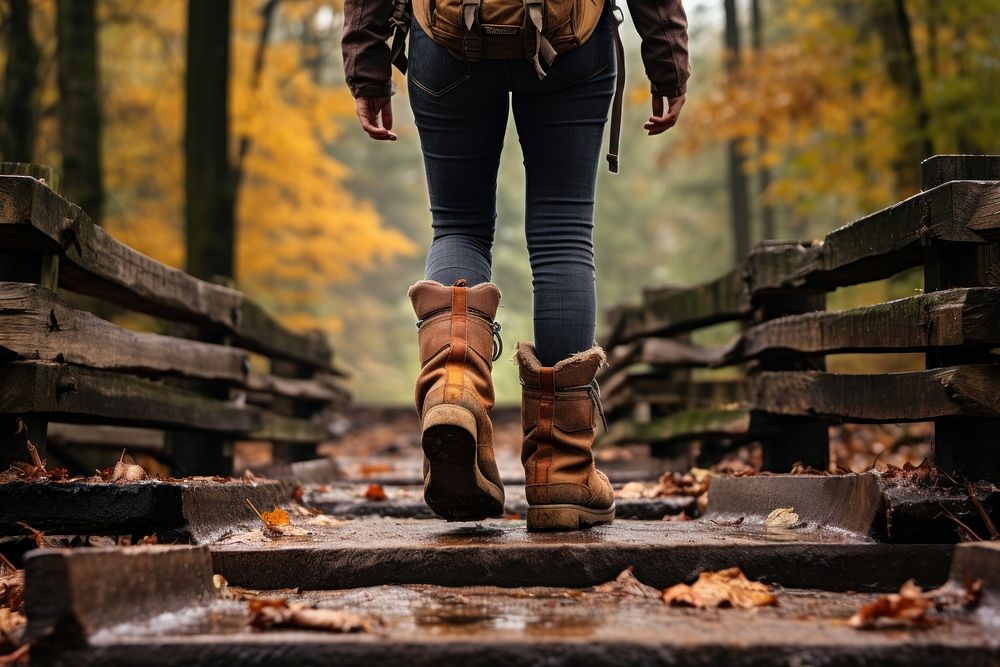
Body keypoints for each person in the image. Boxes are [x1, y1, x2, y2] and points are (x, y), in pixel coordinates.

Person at [342, 0, 689, 531]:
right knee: (564, 236)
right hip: (572, 41)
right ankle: (563, 471)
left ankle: (452, 390)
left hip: (446, 37)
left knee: (457, 225)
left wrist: (367, 66)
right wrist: (667, 56)